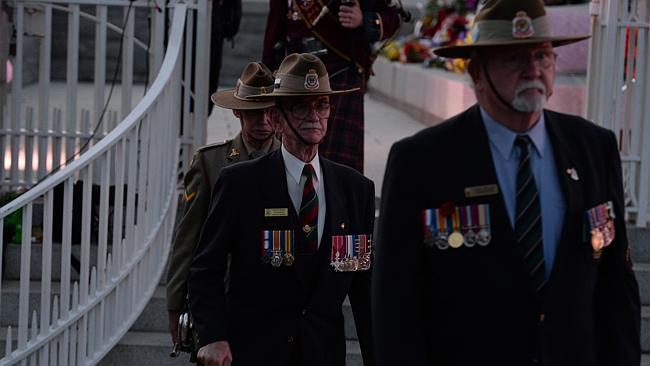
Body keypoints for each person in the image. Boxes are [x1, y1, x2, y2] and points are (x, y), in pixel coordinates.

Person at [372, 0, 641, 365]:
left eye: (543, 56)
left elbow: (616, 290)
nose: (533, 69)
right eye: (515, 58)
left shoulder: (593, 147)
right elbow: (395, 304)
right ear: (476, 72)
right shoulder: (422, 161)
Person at [188, 53, 376, 366]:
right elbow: (206, 269)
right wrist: (212, 336)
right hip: (254, 352)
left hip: (322, 355)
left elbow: (364, 290)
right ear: (276, 120)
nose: (314, 116)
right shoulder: (240, 183)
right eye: (300, 106)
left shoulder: (356, 190)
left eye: (322, 105)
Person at [166, 62, 280, 345]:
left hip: (279, 295)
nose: (263, 121)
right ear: (238, 112)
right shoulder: (211, 162)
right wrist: (175, 303)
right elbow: (188, 236)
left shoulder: (292, 160)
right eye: (254, 113)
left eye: (269, 112)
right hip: (225, 294)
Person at [262, 0, 403, 172]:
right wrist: (267, 80)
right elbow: (275, 28)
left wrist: (364, 20)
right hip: (295, 74)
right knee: (292, 155)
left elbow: (393, 17)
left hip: (341, 74)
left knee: (341, 166)